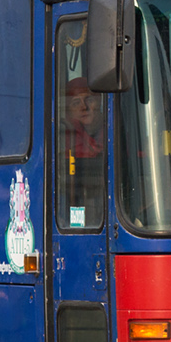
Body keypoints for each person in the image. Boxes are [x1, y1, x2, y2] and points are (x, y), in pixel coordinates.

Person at [61, 77, 105, 228]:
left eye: (89, 100)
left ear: (98, 103)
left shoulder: (114, 134)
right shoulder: (65, 137)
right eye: (75, 103)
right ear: (68, 111)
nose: (84, 107)